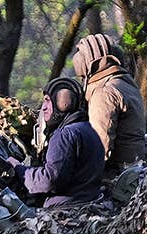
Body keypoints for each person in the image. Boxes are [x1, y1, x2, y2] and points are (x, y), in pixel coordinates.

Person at [8, 77, 104, 207]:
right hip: (88, 205)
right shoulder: (88, 129)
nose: (43, 108)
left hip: (65, 209)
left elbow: (50, 180)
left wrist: (19, 169)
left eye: (48, 101)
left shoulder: (64, 135)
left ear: (63, 103)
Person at [70, 33, 146, 174]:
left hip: (115, 177)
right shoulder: (124, 82)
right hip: (133, 171)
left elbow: (98, 147)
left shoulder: (104, 92)